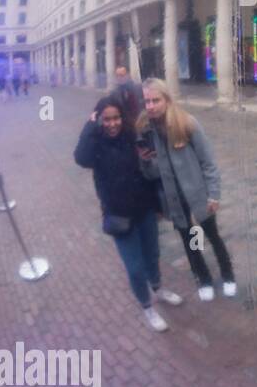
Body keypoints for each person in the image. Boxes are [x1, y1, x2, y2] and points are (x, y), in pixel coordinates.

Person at [74, 95, 183, 333]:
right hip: (119, 217)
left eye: (116, 118)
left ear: (122, 118)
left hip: (144, 210)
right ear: (99, 119)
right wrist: (90, 126)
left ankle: (157, 288)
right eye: (106, 119)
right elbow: (80, 158)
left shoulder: (132, 138)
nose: (112, 123)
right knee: (134, 268)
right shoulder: (96, 145)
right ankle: (147, 306)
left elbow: (149, 170)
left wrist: (157, 205)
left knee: (152, 255)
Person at [136, 79, 236, 302]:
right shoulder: (146, 131)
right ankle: (204, 279)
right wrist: (144, 162)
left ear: (167, 100)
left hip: (199, 196)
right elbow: (153, 175)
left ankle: (228, 275)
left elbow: (208, 162)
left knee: (212, 236)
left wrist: (214, 194)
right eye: (147, 101)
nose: (151, 106)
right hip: (174, 200)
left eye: (156, 100)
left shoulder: (186, 123)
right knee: (191, 241)